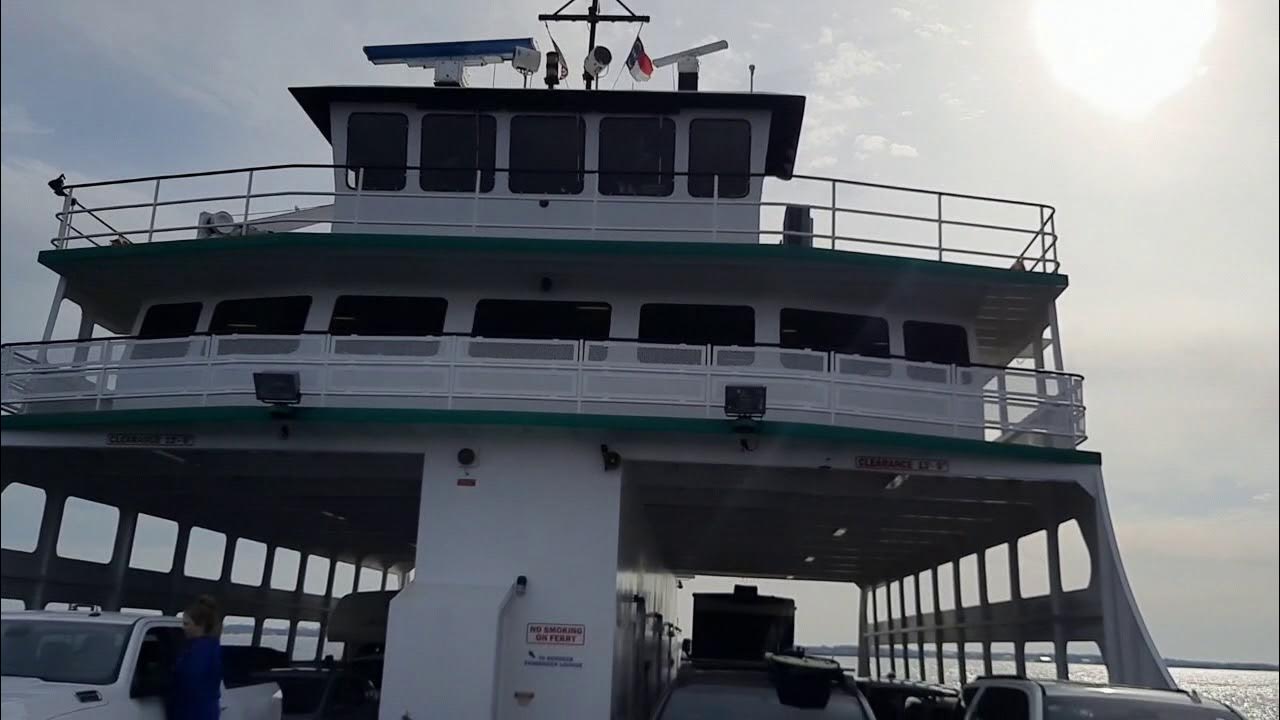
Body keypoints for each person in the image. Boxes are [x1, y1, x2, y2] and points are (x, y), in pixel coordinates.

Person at [167, 595, 224, 720]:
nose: (183, 627)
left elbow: (188, 685)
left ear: (200, 625)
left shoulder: (199, 652)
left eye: (187, 624)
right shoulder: (210, 648)